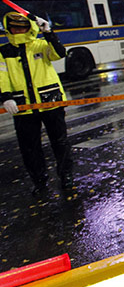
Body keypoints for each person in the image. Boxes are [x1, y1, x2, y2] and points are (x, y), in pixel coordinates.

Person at [1, 12, 73, 196]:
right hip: (22, 106)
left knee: (60, 142)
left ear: (30, 27)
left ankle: (66, 177)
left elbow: (59, 54)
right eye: (14, 28)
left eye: (22, 27)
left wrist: (48, 32)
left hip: (51, 103)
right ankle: (39, 181)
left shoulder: (41, 44)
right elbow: (1, 76)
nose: (18, 31)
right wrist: (5, 97)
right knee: (29, 147)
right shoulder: (4, 52)